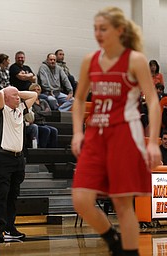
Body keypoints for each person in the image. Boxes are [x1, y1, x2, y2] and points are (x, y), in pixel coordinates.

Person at [71, 7, 162, 256]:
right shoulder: (91, 60)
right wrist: (78, 133)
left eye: (104, 28)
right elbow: (78, 100)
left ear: (119, 31)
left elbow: (153, 102)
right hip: (95, 134)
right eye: (96, 29)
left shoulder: (135, 60)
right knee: (80, 199)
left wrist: (153, 142)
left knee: (122, 204)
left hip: (124, 133)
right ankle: (113, 242)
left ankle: (129, 252)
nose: (98, 33)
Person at [0, 86, 37, 243]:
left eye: (18, 96)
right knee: (2, 195)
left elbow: (34, 94)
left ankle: (10, 228)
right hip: (3, 157)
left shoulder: (21, 109)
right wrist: (7, 92)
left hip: (18, 159)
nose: (19, 98)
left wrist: (15, 93)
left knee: (13, 195)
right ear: (6, 98)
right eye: (14, 96)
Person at [29, 84, 58, 148]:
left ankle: (53, 150)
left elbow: (49, 113)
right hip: (35, 123)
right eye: (34, 90)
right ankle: (42, 148)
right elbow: (34, 115)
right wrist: (44, 112)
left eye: (38, 90)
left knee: (54, 130)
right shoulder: (30, 102)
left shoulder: (43, 101)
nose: (36, 91)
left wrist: (39, 113)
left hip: (43, 123)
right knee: (46, 130)